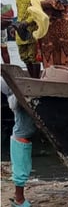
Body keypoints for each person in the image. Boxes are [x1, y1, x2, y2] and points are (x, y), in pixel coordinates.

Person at [2, 77, 36, 207]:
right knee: (20, 171)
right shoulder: (18, 101)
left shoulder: (17, 99)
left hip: (21, 137)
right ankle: (19, 199)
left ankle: (19, 198)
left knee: (22, 170)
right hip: (20, 139)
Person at [7, 0, 41, 78]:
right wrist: (14, 26)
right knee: (24, 56)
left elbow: (38, 11)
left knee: (33, 56)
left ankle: (36, 79)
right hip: (20, 29)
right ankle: (31, 78)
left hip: (32, 29)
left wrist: (27, 22)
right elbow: (19, 12)